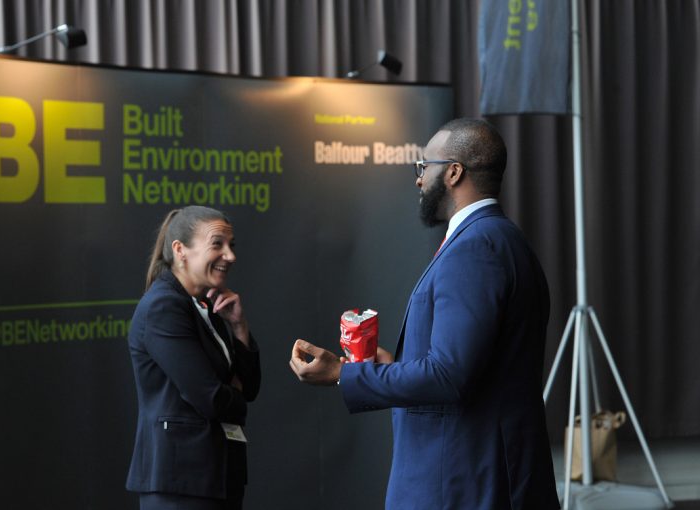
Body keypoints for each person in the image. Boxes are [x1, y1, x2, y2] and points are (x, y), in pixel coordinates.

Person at [290, 118, 560, 509]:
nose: (418, 180)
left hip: (462, 483)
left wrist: (343, 373)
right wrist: (392, 364)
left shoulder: (476, 247)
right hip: (486, 476)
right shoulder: (503, 239)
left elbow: (450, 376)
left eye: (423, 167)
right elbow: (474, 364)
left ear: (453, 172)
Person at [126, 206, 261, 510]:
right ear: (180, 250)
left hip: (217, 476)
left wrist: (239, 326)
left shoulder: (205, 306)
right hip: (182, 482)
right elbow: (210, 398)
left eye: (231, 245)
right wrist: (233, 392)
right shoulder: (164, 307)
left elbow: (249, 388)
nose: (230, 255)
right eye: (217, 244)